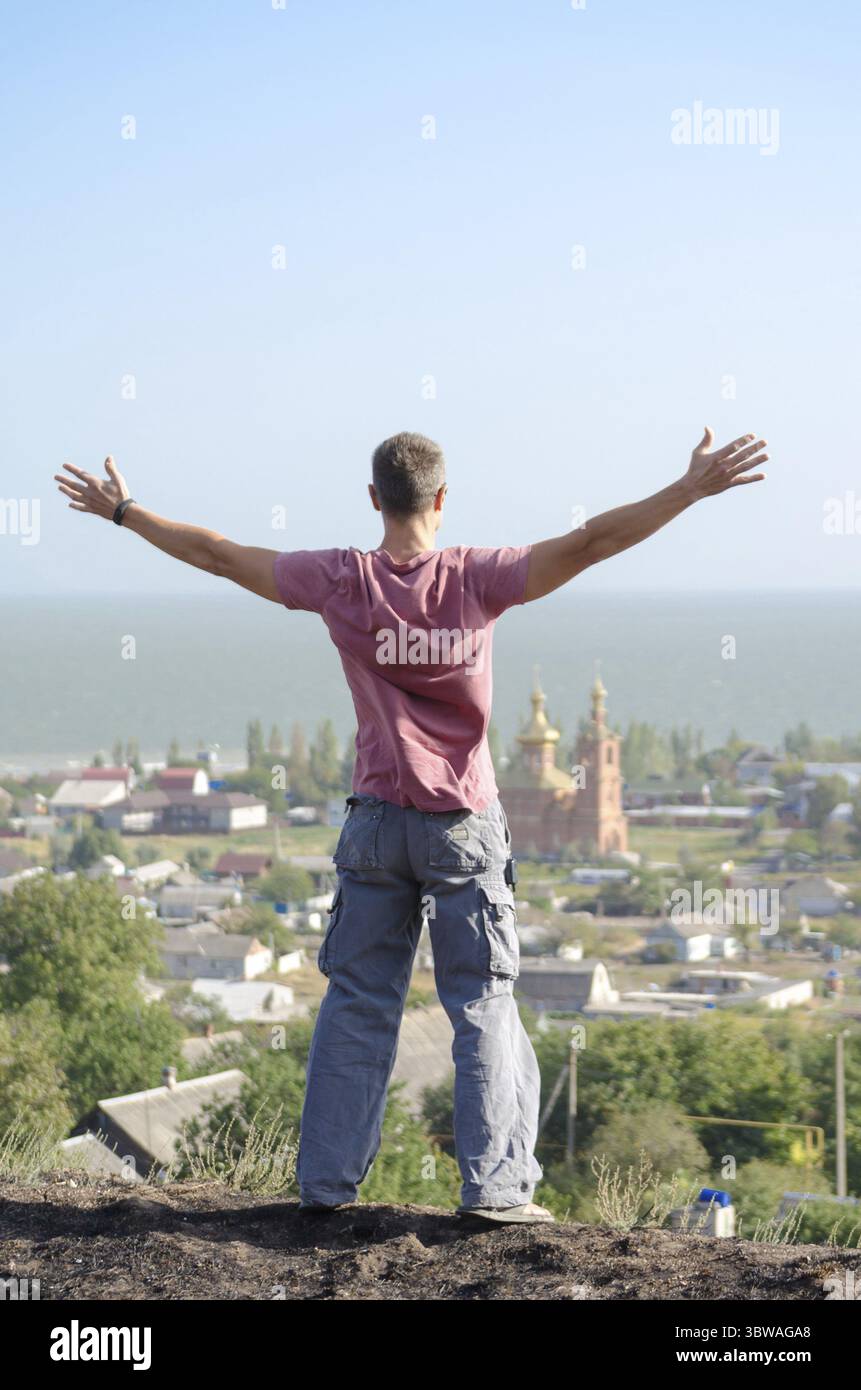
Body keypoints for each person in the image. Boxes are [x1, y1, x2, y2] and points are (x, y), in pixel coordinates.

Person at [55, 425, 768, 1224]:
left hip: (374, 824)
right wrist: (690, 489)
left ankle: (325, 1190)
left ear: (373, 499)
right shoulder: (479, 578)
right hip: (462, 823)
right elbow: (594, 540)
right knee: (482, 1003)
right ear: (440, 498)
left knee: (357, 1000)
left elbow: (220, 553)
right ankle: (494, 1196)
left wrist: (126, 512)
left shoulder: (339, 579)